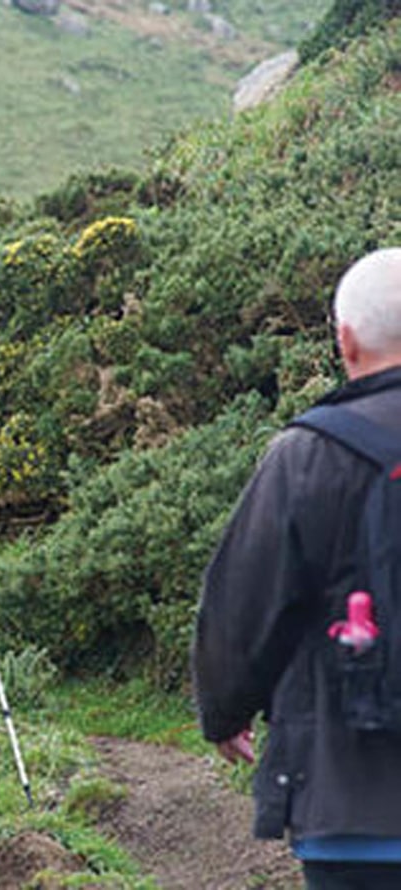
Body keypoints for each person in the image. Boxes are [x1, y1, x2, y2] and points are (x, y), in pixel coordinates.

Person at [193, 247, 401, 889]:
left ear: (345, 341)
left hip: (350, 807)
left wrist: (225, 711)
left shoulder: (307, 455)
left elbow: (243, 604)